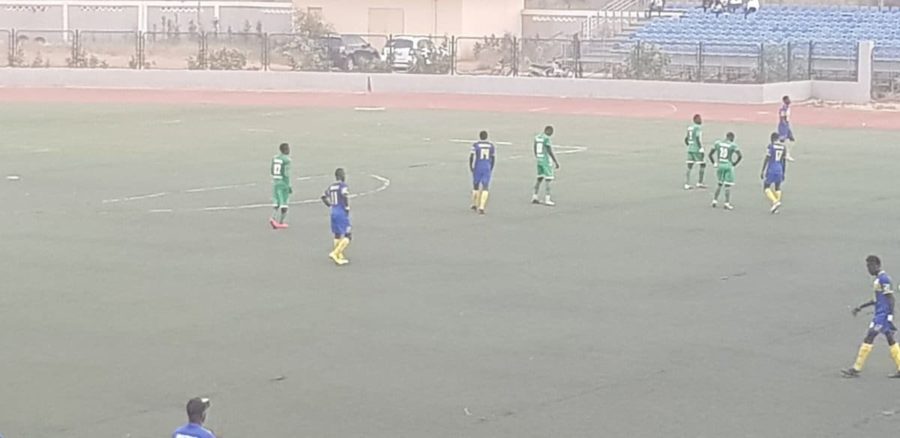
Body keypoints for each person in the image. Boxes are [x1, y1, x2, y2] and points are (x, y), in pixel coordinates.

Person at [842, 255, 900, 378]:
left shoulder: (884, 279)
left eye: (870, 266)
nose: (868, 269)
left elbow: (891, 298)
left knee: (870, 336)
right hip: (879, 314)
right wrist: (861, 307)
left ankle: (856, 368)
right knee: (890, 340)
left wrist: (890, 316)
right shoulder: (878, 280)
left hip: (882, 316)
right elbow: (876, 300)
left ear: (877, 265)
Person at [321, 168, 351, 266]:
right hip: (341, 212)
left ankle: (339, 255)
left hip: (333, 211)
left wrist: (330, 205)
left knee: (337, 234)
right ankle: (335, 253)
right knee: (348, 235)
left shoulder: (331, 187)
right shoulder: (343, 186)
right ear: (341, 176)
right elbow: (344, 196)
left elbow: (323, 197)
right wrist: (347, 208)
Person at [708, 132, 742, 210]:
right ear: (732, 137)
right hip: (728, 165)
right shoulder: (732, 145)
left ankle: (714, 200)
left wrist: (714, 163)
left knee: (719, 183)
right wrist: (734, 164)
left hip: (720, 165)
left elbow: (710, 154)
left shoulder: (718, 143)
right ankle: (726, 203)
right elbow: (740, 156)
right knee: (727, 185)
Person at [532, 125, 560, 206]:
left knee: (539, 178)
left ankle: (535, 196)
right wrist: (555, 161)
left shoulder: (537, 137)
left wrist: (537, 156)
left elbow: (534, 147)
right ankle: (547, 198)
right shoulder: (546, 138)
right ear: (548, 131)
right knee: (548, 179)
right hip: (545, 161)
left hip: (539, 160)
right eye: (551, 132)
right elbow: (549, 150)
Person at [469, 131, 496, 214]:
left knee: (475, 185)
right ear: (486, 136)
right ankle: (482, 206)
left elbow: (471, 156)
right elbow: (493, 158)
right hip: (486, 166)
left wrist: (471, 166)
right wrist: (491, 167)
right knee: (485, 187)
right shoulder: (491, 146)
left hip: (478, 166)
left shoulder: (476, 145)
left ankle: (474, 204)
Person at [760, 132, 787, 214]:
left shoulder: (771, 146)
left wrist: (762, 170)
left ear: (772, 139)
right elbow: (784, 161)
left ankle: (775, 201)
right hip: (779, 168)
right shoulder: (783, 147)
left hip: (772, 168)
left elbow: (767, 158)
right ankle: (776, 206)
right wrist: (783, 172)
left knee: (766, 186)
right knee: (777, 187)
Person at [269, 142, 292, 229]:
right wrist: (289, 186)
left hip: (276, 182)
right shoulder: (287, 160)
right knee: (284, 204)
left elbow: (272, 171)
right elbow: (286, 174)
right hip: (283, 183)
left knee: (277, 202)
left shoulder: (275, 158)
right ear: (285, 150)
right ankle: (281, 222)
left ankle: (273, 217)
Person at [684, 114, 707, 190]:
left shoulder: (689, 128)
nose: (701, 120)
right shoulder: (697, 127)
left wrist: (689, 145)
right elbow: (697, 138)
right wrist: (700, 148)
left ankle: (687, 183)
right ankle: (700, 182)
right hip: (696, 149)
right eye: (699, 119)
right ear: (695, 120)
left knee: (689, 166)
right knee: (703, 164)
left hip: (690, 149)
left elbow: (686, 139)